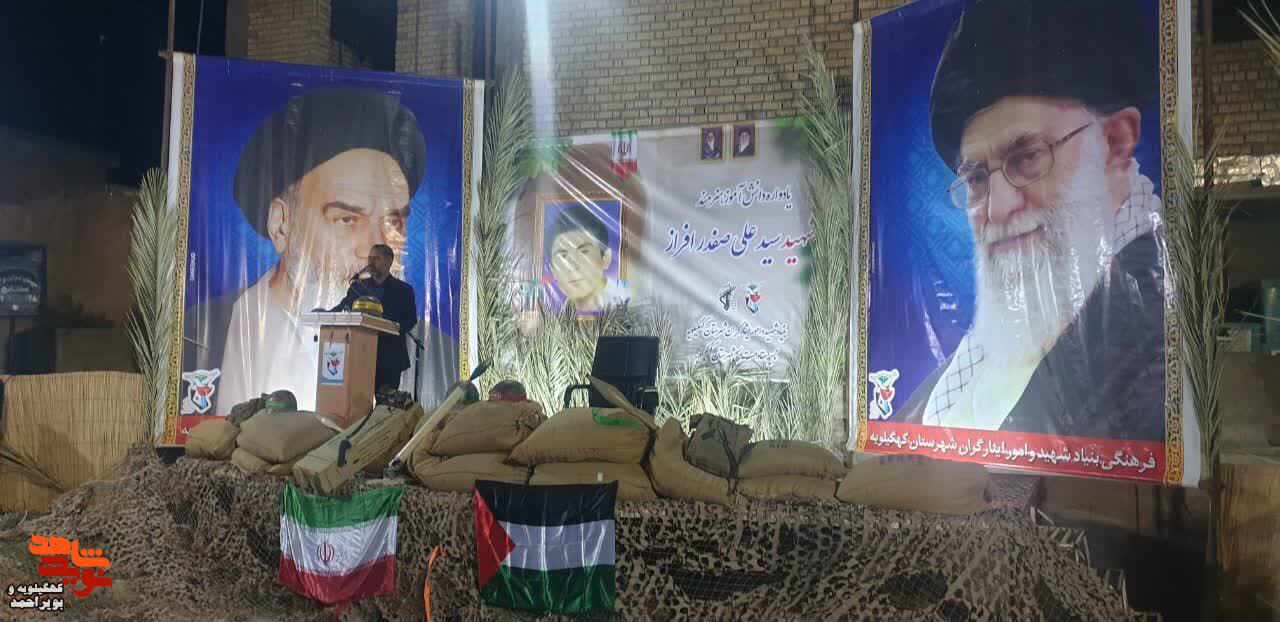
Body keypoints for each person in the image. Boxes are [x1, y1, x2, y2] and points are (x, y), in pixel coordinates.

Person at [895, 0, 1165, 441]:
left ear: (1115, 142)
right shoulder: (967, 365)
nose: (997, 209)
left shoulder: (1157, 344)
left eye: (1027, 158)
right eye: (977, 178)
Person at [186, 86, 435, 415]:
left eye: (393, 222)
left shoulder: (424, 326)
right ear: (281, 226)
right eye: (347, 219)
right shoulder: (201, 333)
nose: (373, 246)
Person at [333, 244, 418, 391]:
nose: (371, 263)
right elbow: (343, 306)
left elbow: (411, 319)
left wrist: (394, 328)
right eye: (370, 258)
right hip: (360, 353)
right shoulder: (358, 287)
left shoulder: (404, 290)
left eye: (377, 258)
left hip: (390, 357)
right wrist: (326, 313)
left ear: (389, 261)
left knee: (385, 403)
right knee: (358, 400)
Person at [546, 204, 630, 313]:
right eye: (563, 257)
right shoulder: (555, 314)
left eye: (583, 253)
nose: (572, 266)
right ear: (552, 269)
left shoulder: (627, 305)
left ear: (606, 258)